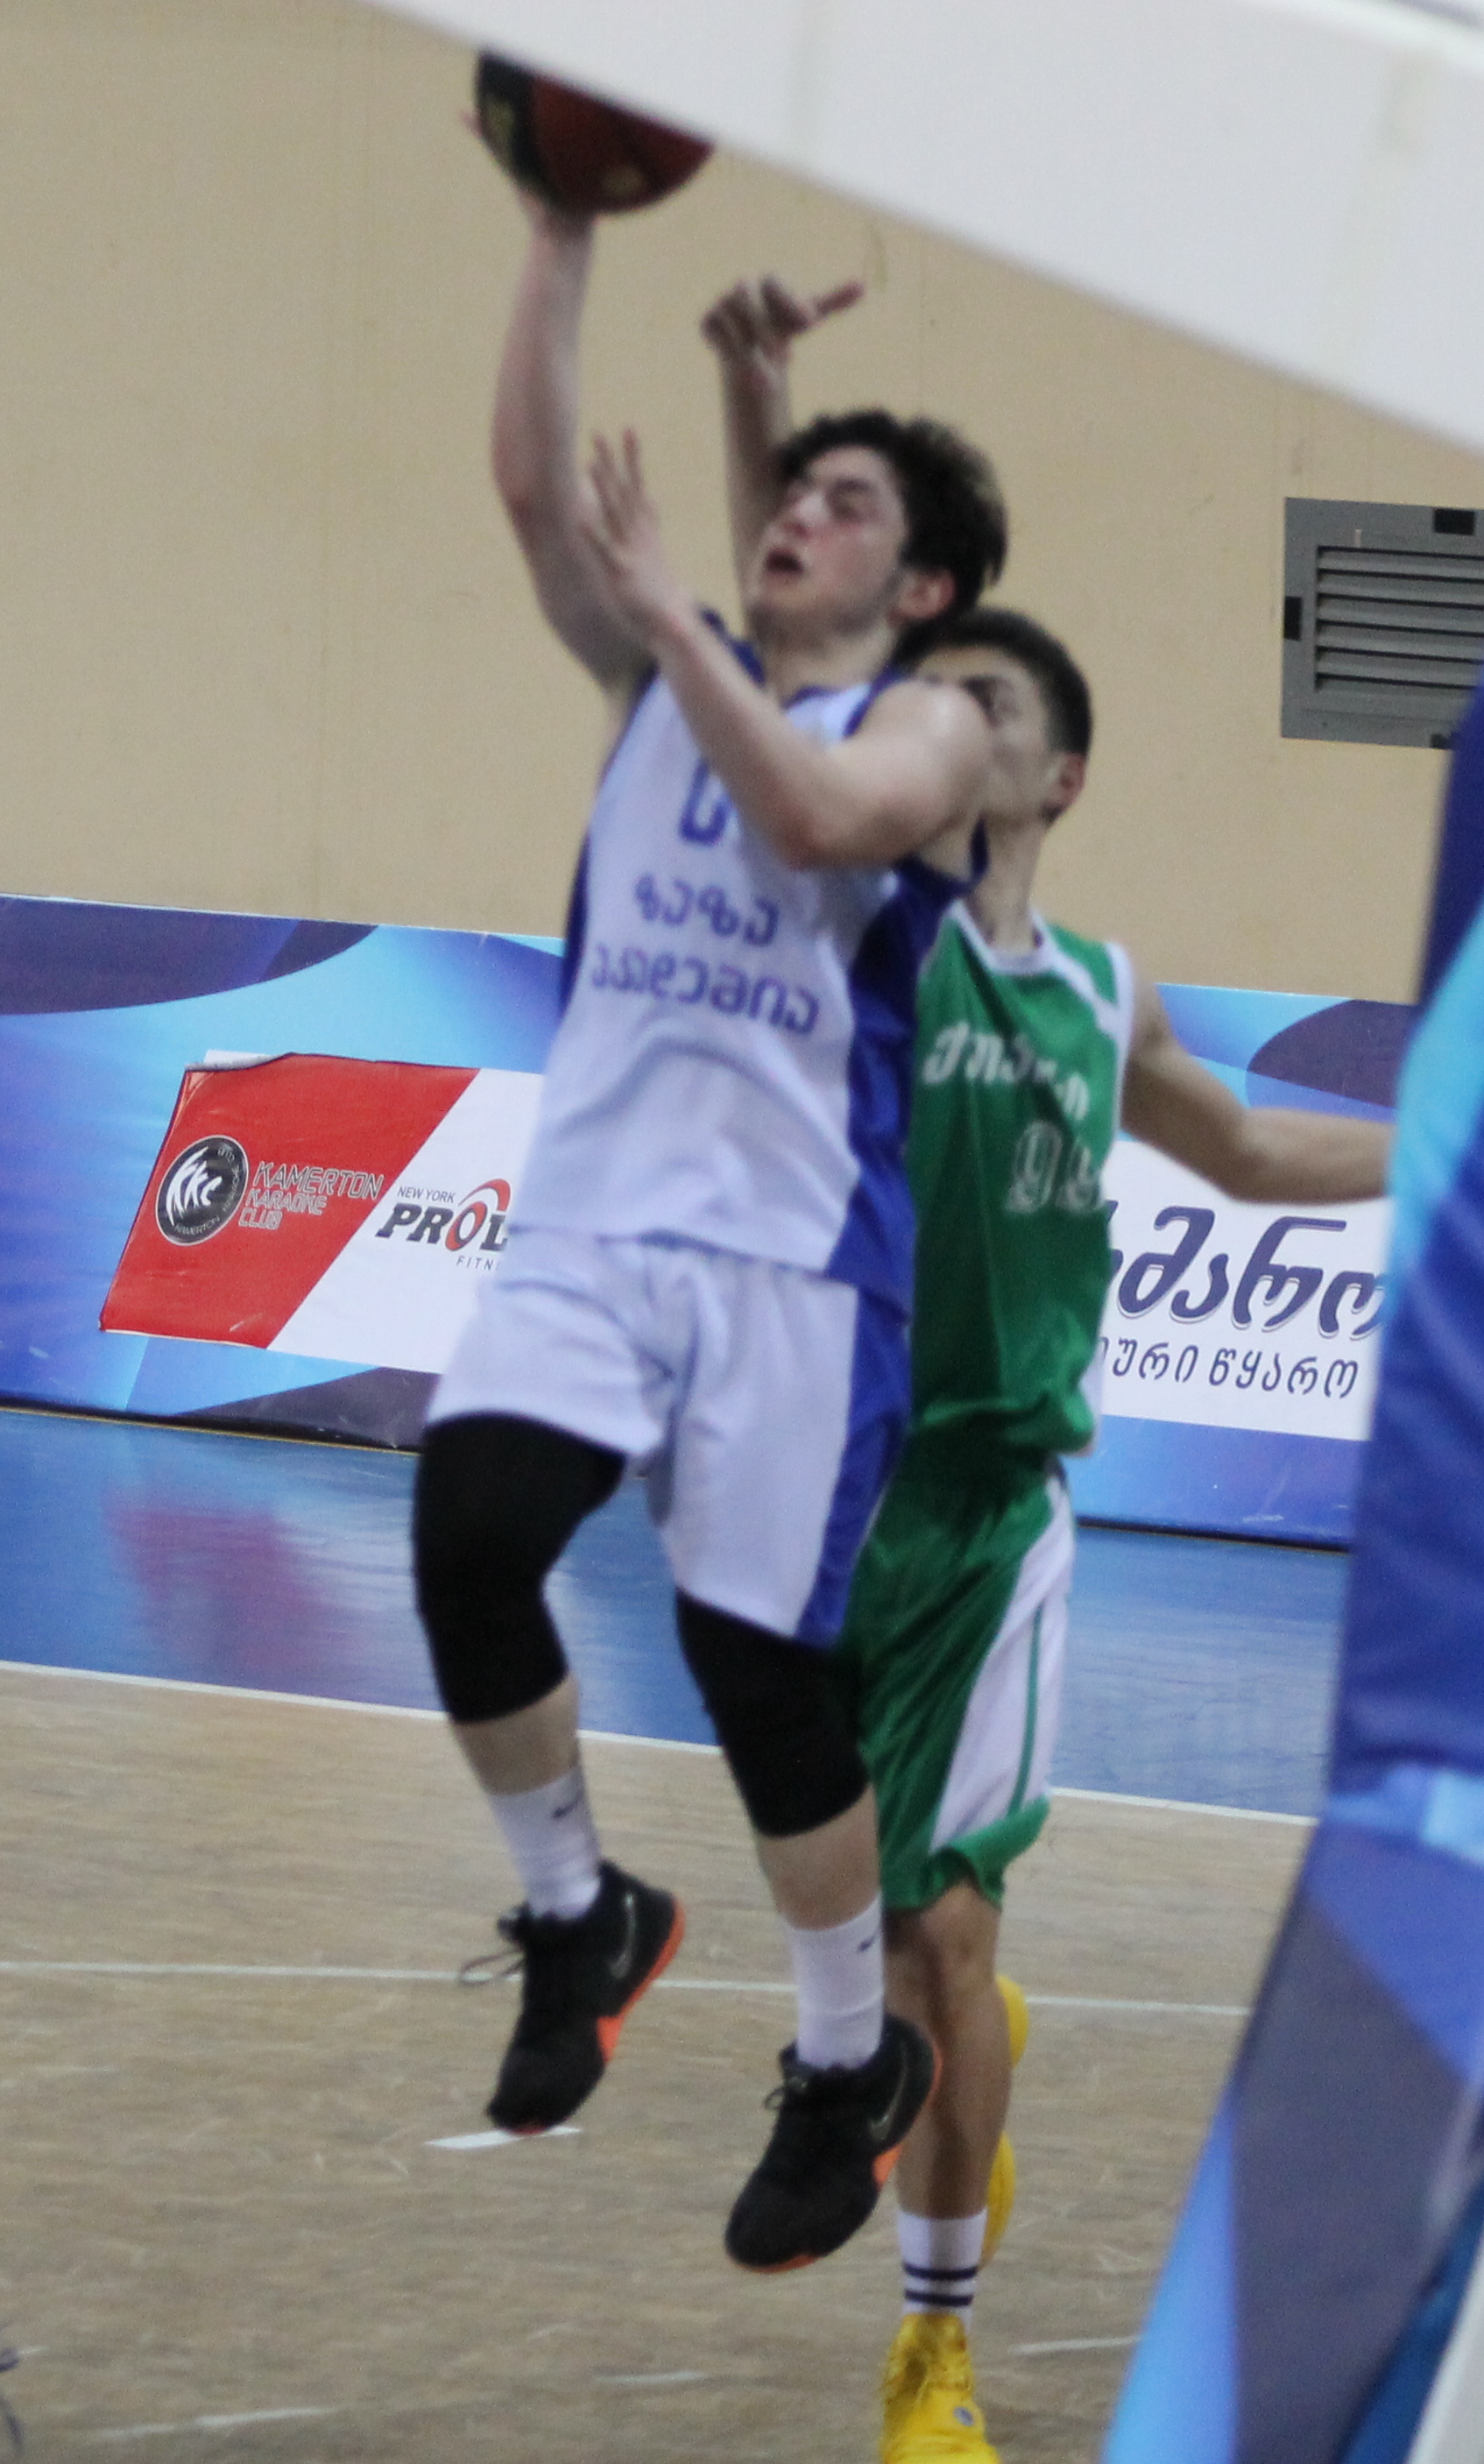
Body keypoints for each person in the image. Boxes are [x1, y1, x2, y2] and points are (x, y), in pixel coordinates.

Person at [413, 175, 1003, 2280]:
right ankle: (580, 1908)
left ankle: (849, 2056)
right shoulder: (677, 669)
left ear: (922, 583)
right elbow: (526, 486)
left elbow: (819, 811)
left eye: (846, 506)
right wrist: (561, 219)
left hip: (793, 1267)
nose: (798, 518)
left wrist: (676, 607)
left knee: (762, 1677)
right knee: (470, 1532)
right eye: (794, 492)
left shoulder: (935, 725)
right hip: (592, 1221)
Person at [847, 595, 1395, 2464]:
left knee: (944, 1930)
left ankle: (933, 2362)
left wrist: (1458, 1139)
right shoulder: (863, 948)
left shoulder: (1100, 994)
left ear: (1059, 774)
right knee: (886, 1961)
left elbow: (1247, 1154)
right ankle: (958, 2047)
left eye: (983, 704)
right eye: (923, 701)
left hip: (993, 1510)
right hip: (828, 1497)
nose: (943, 726)